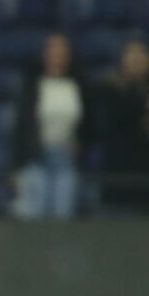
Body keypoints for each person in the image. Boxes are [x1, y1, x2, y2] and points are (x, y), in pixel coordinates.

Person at [11, 33, 90, 221]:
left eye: (62, 50)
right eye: (52, 49)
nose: (57, 54)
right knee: (34, 213)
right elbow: (21, 127)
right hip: (36, 156)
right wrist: (15, 166)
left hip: (66, 158)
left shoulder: (79, 86)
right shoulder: (32, 87)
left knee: (63, 212)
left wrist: (80, 143)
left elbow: (88, 125)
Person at [98, 40, 149, 209]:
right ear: (122, 59)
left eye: (142, 53)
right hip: (122, 171)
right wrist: (147, 104)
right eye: (132, 53)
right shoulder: (110, 87)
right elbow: (115, 116)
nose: (137, 58)